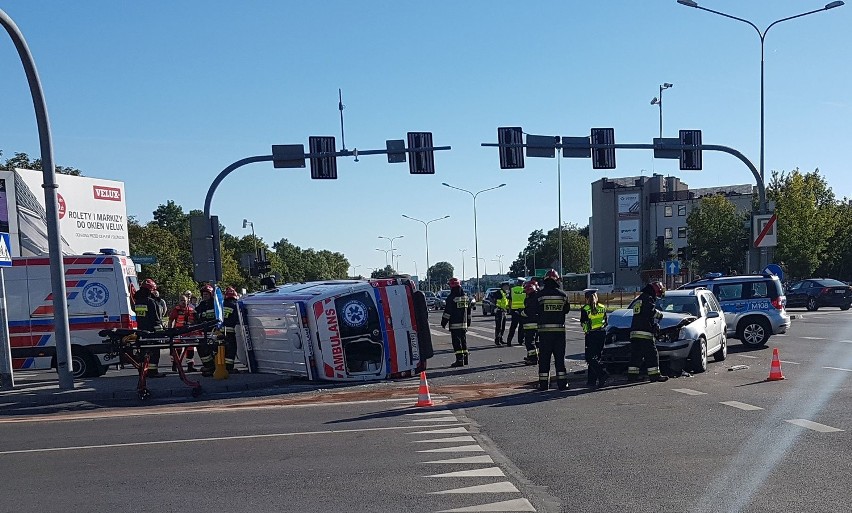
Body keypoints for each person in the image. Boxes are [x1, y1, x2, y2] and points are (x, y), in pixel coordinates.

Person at [535, 269, 571, 391]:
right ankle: (562, 383)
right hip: (559, 333)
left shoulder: (539, 295)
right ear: (557, 280)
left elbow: (535, 310)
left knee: (544, 359)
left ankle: (544, 384)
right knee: (560, 359)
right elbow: (566, 310)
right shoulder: (563, 295)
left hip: (544, 333)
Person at [627, 281, 668, 383]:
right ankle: (655, 376)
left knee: (636, 356)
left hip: (634, 332)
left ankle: (632, 377)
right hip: (644, 332)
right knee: (652, 355)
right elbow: (650, 312)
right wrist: (659, 315)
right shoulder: (648, 299)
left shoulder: (640, 298)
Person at [133, 278, 165, 377]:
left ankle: (143, 371)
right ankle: (153, 372)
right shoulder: (150, 302)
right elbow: (155, 319)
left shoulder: (138, 302)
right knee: (154, 352)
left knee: (143, 352)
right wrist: (161, 334)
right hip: (151, 333)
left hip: (141, 332)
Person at [580, 289, 609, 388]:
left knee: (590, 358)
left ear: (587, 298)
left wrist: (586, 332)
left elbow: (584, 324)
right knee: (597, 357)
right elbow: (606, 322)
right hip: (601, 333)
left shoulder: (585, 309)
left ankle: (602, 374)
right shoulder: (602, 307)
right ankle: (591, 381)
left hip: (591, 335)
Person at [441, 277, 472, 368]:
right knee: (463, 341)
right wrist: (468, 321)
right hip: (464, 323)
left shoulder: (451, 298)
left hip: (455, 324)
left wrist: (443, 322)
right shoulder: (465, 297)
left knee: (456, 342)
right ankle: (465, 359)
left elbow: (448, 312)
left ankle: (459, 360)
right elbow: (469, 312)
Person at [168, 295, 198, 372]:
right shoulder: (176, 310)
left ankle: (190, 366)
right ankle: (175, 365)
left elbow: (195, 321)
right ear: (179, 301)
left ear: (188, 301)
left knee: (190, 349)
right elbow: (170, 320)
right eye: (181, 300)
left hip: (188, 333)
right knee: (177, 349)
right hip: (178, 332)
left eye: (184, 300)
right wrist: (170, 331)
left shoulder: (191, 310)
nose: (183, 302)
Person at [195, 284, 217, 377]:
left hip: (214, 331)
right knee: (201, 348)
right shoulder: (202, 304)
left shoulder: (215, 304)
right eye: (203, 294)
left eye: (206, 294)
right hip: (203, 332)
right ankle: (208, 366)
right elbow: (196, 314)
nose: (204, 295)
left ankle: (214, 367)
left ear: (211, 294)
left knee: (214, 349)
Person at [222, 286, 241, 373]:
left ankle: (221, 367)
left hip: (219, 331)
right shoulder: (235, 306)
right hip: (230, 332)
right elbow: (237, 320)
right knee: (231, 350)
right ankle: (229, 368)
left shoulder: (221, 305)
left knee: (221, 350)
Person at [520, 280, 539, 365]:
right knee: (536, 341)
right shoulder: (538, 297)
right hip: (537, 323)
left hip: (530, 324)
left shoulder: (530, 299)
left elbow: (528, 311)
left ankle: (532, 358)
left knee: (529, 342)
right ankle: (534, 356)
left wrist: (521, 313)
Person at [506, 278, 526, 347]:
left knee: (513, 327)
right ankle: (521, 341)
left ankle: (509, 341)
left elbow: (510, 300)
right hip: (523, 310)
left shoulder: (513, 290)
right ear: (523, 283)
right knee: (521, 327)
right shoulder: (525, 290)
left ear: (517, 282)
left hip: (514, 310)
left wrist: (509, 308)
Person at [490, 281, 510, 345]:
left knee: (503, 327)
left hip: (504, 311)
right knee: (499, 327)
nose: (507, 288)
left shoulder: (505, 293)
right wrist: (495, 306)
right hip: (499, 311)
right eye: (506, 286)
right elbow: (492, 299)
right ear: (503, 287)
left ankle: (501, 339)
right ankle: (497, 340)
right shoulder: (499, 292)